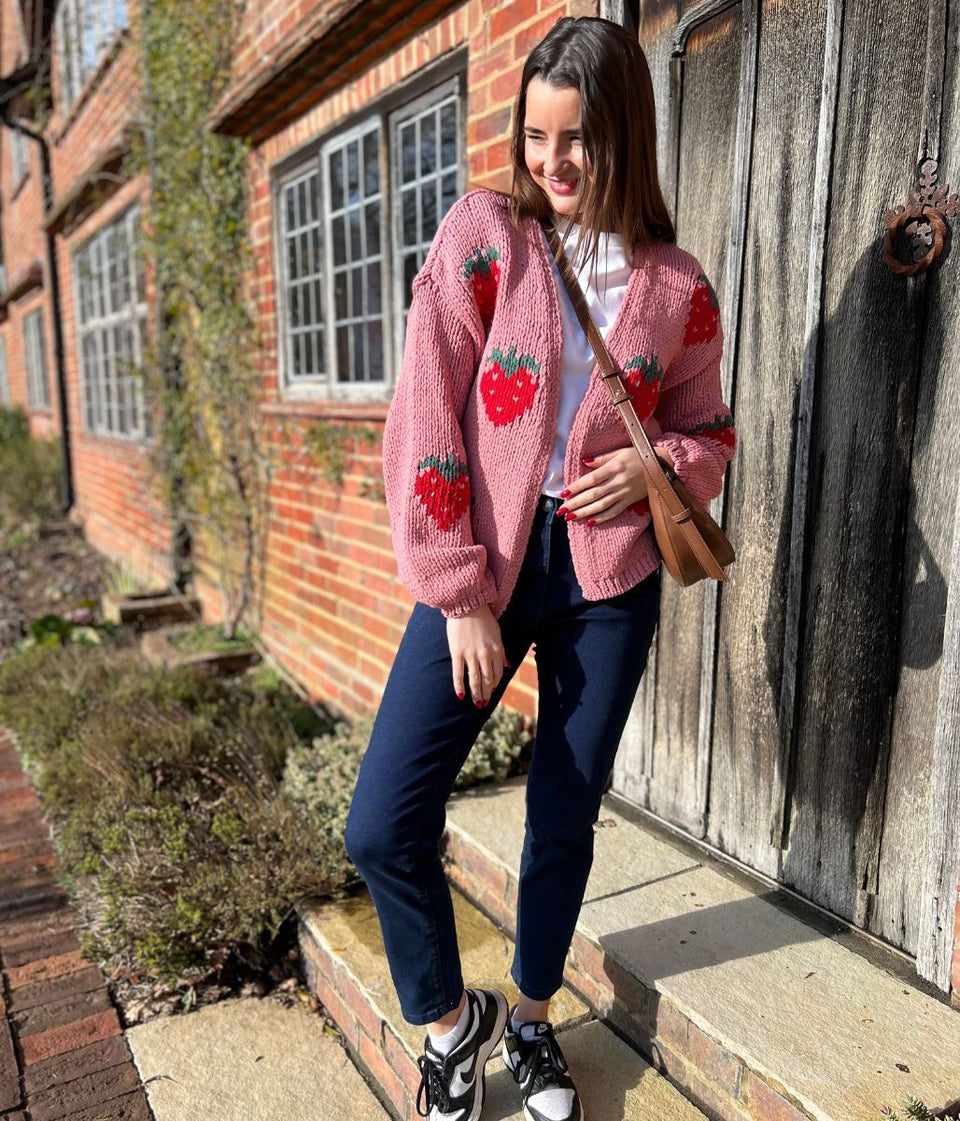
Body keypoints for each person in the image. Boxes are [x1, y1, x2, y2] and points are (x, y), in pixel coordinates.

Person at [344, 15, 735, 1121]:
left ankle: (527, 1017)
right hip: (492, 559)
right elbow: (425, 408)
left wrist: (660, 458)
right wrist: (459, 587)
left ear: (625, 139)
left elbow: (712, 429)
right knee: (380, 820)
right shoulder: (485, 234)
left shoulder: (678, 284)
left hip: (610, 577)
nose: (553, 162)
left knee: (564, 812)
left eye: (579, 141)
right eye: (536, 137)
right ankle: (446, 1021)